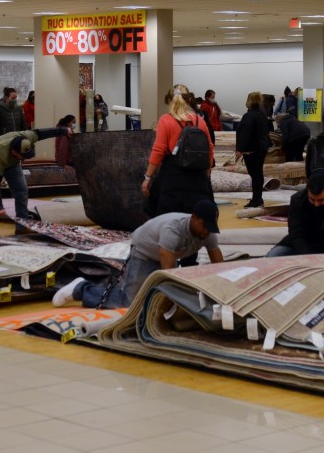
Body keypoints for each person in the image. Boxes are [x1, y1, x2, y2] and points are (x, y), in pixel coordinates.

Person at [52, 200, 224, 309]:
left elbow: (220, 266)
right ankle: (80, 289)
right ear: (194, 218)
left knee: (155, 300)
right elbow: (167, 273)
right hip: (145, 252)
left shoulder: (208, 234)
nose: (207, 231)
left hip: (166, 255)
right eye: (204, 225)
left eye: (211, 226)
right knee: (129, 303)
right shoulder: (172, 230)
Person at [0, 126, 68, 236]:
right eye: (22, 156)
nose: (24, 159)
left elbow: (44, 133)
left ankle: (22, 227)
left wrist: (64, 131)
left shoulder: (27, 137)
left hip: (12, 162)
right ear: (13, 151)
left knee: (21, 190)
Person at [142, 84, 214, 217]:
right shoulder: (200, 121)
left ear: (169, 101)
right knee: (195, 217)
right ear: (188, 100)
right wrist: (207, 174)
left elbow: (159, 150)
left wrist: (148, 177)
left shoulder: (166, 120)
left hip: (173, 176)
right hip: (197, 177)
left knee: (168, 217)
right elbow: (209, 148)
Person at [234, 91, 270, 208]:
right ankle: (257, 198)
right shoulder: (262, 114)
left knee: (255, 175)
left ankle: (256, 199)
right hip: (262, 147)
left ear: (249, 101)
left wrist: (240, 149)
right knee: (258, 173)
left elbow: (245, 133)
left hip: (252, 149)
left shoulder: (249, 115)